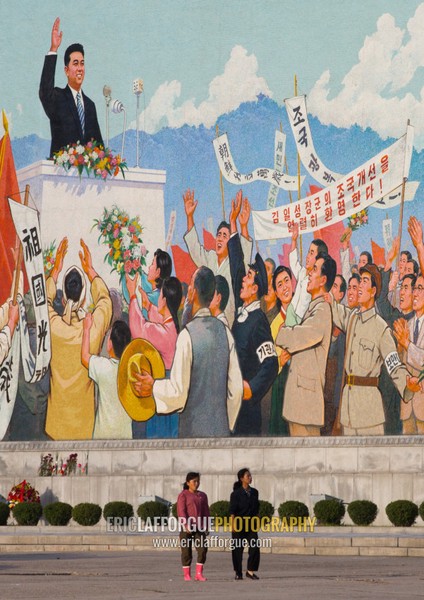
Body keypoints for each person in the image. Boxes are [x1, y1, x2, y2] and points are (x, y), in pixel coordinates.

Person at [133, 266, 243, 438]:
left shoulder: (187, 336)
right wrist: (226, 424)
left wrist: (153, 385)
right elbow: (236, 389)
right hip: (221, 434)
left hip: (193, 434)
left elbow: (178, 394)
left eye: (191, 284)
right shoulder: (225, 333)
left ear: (192, 293)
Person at [331, 263, 420, 435]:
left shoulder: (381, 328)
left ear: (373, 291)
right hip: (348, 411)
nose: (360, 286)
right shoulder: (350, 318)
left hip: (369, 414)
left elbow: (394, 366)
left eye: (365, 281)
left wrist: (408, 386)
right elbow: (333, 308)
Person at [45, 237, 112, 439]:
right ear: (84, 297)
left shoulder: (54, 326)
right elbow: (105, 300)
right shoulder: (92, 329)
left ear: (63, 297)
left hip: (55, 426)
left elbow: (45, 303)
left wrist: (55, 271)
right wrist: (90, 270)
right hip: (85, 426)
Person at [276, 253, 336, 436]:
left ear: (323, 280)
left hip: (306, 404)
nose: (309, 273)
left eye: (315, 269)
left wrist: (283, 332)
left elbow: (297, 337)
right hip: (300, 404)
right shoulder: (313, 308)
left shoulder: (322, 310)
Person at [183, 188, 252, 327]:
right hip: (208, 322)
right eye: (218, 235)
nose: (220, 239)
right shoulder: (210, 258)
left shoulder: (235, 263)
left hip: (230, 323)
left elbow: (243, 255)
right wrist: (189, 216)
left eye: (224, 236)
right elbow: (195, 248)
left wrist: (243, 226)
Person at [127, 274, 182, 438]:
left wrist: (132, 295)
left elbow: (140, 329)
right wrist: (148, 306)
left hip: (161, 390)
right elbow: (158, 323)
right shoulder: (172, 326)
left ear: (164, 300)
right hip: (169, 388)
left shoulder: (165, 333)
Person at [39, 18, 103, 157]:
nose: (80, 68)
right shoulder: (57, 97)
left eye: (82, 63)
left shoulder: (90, 106)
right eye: (75, 63)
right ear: (67, 70)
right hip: (59, 174)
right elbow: (44, 92)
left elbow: (99, 146)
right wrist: (53, 49)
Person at [81, 317, 132, 439]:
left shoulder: (103, 367)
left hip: (102, 433)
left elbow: (84, 357)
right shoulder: (131, 370)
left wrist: (86, 329)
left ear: (109, 344)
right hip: (125, 434)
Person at [269, 266, 300, 435]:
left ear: (293, 282)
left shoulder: (304, 315)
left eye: (286, 281)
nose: (284, 287)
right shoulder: (274, 325)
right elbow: (267, 364)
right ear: (275, 292)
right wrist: (279, 362)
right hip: (281, 384)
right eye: (279, 285)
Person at [394, 274, 424, 434]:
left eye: (420, 288)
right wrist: (400, 348)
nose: (415, 293)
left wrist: (407, 344)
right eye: (415, 288)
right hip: (407, 408)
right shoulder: (408, 325)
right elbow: (401, 365)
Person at [289, 223, 328, 320]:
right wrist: (294, 240)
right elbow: (293, 262)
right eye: (308, 252)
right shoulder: (302, 272)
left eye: (312, 253)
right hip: (291, 312)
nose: (307, 256)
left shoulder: (318, 281)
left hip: (303, 319)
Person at [177, 472, 210, 582]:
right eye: (194, 481)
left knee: (203, 550)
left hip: (199, 527)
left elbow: (206, 511)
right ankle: (187, 574)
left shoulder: (203, 495)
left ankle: (199, 574)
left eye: (198, 481)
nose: (197, 483)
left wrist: (206, 525)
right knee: (186, 551)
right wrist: (186, 525)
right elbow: (181, 511)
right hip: (187, 528)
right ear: (188, 482)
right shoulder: (183, 495)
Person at [230, 468, 260, 581]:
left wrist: (257, 520)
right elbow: (232, 511)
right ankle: (238, 572)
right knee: (237, 549)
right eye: (248, 476)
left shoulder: (255, 492)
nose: (250, 477)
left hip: (251, 524)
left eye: (250, 475)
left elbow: (257, 509)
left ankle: (250, 571)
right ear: (242, 478)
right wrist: (233, 526)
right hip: (238, 524)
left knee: (255, 547)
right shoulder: (235, 494)